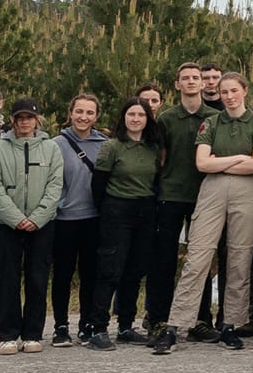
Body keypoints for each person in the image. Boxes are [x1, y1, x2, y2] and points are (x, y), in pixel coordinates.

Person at [152, 72, 253, 355]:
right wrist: (238, 158)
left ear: (244, 92)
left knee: (240, 256)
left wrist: (223, 162)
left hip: (246, 191)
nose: (229, 96)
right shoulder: (212, 123)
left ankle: (231, 324)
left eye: (233, 91)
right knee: (198, 256)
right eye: (223, 92)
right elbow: (202, 163)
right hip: (212, 191)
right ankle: (176, 325)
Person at [0, 99, 64, 355]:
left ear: (36, 120)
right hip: (6, 224)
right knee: (7, 278)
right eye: (20, 118)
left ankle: (32, 333)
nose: (25, 122)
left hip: (42, 224)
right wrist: (15, 218)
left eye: (29, 117)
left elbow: (55, 187)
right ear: (14, 121)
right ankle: (7, 334)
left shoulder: (51, 148)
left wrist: (37, 218)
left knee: (37, 279)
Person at [149, 62, 216, 340]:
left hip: (205, 196)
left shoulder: (214, 117)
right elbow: (158, 157)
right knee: (163, 260)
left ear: (204, 84)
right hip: (171, 195)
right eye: (185, 78)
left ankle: (200, 320)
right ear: (177, 85)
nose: (191, 82)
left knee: (199, 261)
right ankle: (158, 319)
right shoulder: (166, 119)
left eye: (195, 78)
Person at [90, 99, 160, 351]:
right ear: (124, 117)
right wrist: (107, 211)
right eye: (131, 114)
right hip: (117, 209)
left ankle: (126, 326)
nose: (136, 119)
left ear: (147, 119)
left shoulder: (153, 148)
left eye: (141, 115)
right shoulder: (112, 147)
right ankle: (97, 328)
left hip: (146, 210)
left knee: (135, 270)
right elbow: (98, 184)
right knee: (110, 269)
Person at [49, 93, 108, 347]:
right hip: (63, 219)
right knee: (62, 274)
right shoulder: (56, 144)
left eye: (89, 113)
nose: (84, 117)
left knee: (90, 275)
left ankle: (87, 324)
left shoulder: (105, 144)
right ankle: (60, 326)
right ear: (70, 112)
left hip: (93, 218)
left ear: (96, 116)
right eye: (79, 111)